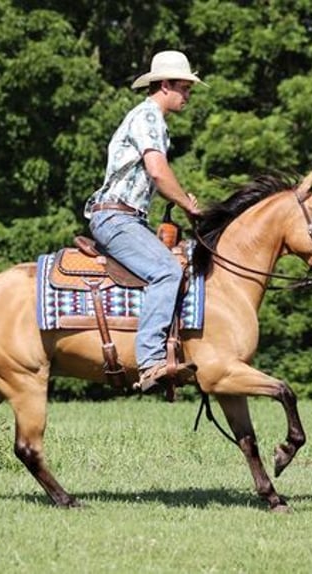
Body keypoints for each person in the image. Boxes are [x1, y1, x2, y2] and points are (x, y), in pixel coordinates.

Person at [84, 50, 206, 392]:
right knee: (167, 270)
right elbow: (158, 171)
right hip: (115, 218)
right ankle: (151, 361)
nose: (187, 96)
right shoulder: (149, 117)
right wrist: (187, 205)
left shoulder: (151, 120)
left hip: (126, 218)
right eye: (184, 88)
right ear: (165, 85)